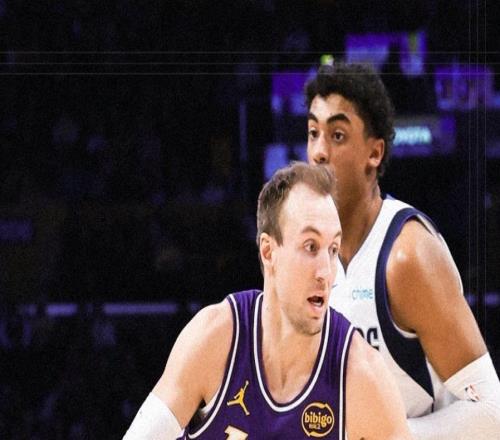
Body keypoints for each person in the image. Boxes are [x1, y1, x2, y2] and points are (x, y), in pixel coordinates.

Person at [123, 162, 412, 439]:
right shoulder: (215, 338)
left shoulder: (360, 373)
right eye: (310, 246)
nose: (326, 271)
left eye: (333, 249)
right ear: (268, 251)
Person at [305, 62, 500, 439]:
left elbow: (492, 414)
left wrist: (386, 435)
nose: (319, 152)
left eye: (337, 135)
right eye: (314, 133)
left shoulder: (406, 255)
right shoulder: (312, 257)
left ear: (374, 153)